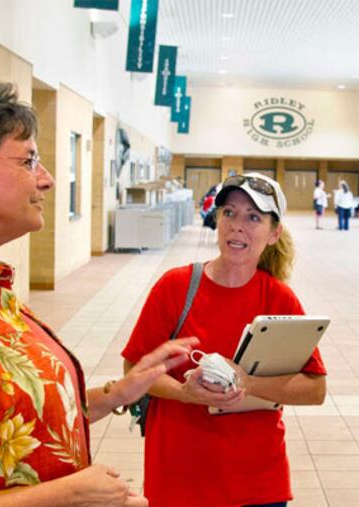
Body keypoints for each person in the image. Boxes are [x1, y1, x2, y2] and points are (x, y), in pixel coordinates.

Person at [0, 77, 197, 506]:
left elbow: (5, 419)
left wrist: (116, 394)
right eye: (28, 161)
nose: (47, 180)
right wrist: (66, 494)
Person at [121, 172, 327, 507]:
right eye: (229, 213)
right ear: (216, 220)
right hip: (179, 478)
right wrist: (185, 394)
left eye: (253, 217)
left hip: (258, 483)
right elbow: (134, 368)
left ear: (274, 233)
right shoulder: (175, 288)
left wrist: (245, 381)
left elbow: (315, 389)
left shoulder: (279, 300)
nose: (237, 226)